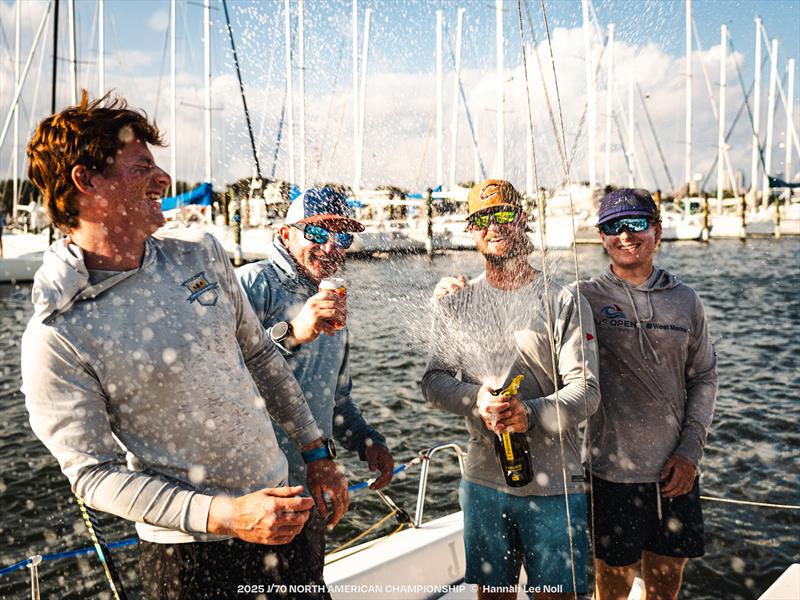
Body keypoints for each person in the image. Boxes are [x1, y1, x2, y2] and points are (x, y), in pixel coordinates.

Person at [21, 91, 348, 600]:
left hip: (285, 511)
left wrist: (314, 451)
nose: (164, 180)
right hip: (190, 555)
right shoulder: (59, 333)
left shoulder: (201, 255)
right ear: (87, 181)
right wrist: (227, 515)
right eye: (140, 167)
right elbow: (92, 475)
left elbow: (260, 356)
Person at [423, 179, 600, 600]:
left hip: (555, 485)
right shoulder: (457, 303)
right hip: (484, 481)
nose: (493, 225)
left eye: (503, 214)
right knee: (493, 595)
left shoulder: (564, 301)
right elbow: (433, 381)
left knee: (556, 595)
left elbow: (588, 390)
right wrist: (476, 400)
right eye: (481, 219)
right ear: (470, 231)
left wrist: (530, 413)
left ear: (522, 219)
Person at [236, 187, 395, 594]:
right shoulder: (250, 285)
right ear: (286, 234)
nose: (331, 245)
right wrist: (291, 335)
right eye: (318, 232)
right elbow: (220, 381)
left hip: (308, 493)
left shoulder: (331, 302)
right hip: (250, 500)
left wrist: (366, 443)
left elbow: (336, 398)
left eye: (342, 235)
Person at [581, 189, 718, 600]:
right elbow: (526, 313)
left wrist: (690, 452)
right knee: (613, 586)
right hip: (610, 474)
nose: (625, 235)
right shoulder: (582, 297)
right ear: (601, 237)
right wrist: (458, 293)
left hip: (675, 472)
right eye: (612, 226)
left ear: (657, 231)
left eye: (637, 224)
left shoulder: (685, 300)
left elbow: (705, 377)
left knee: (665, 584)